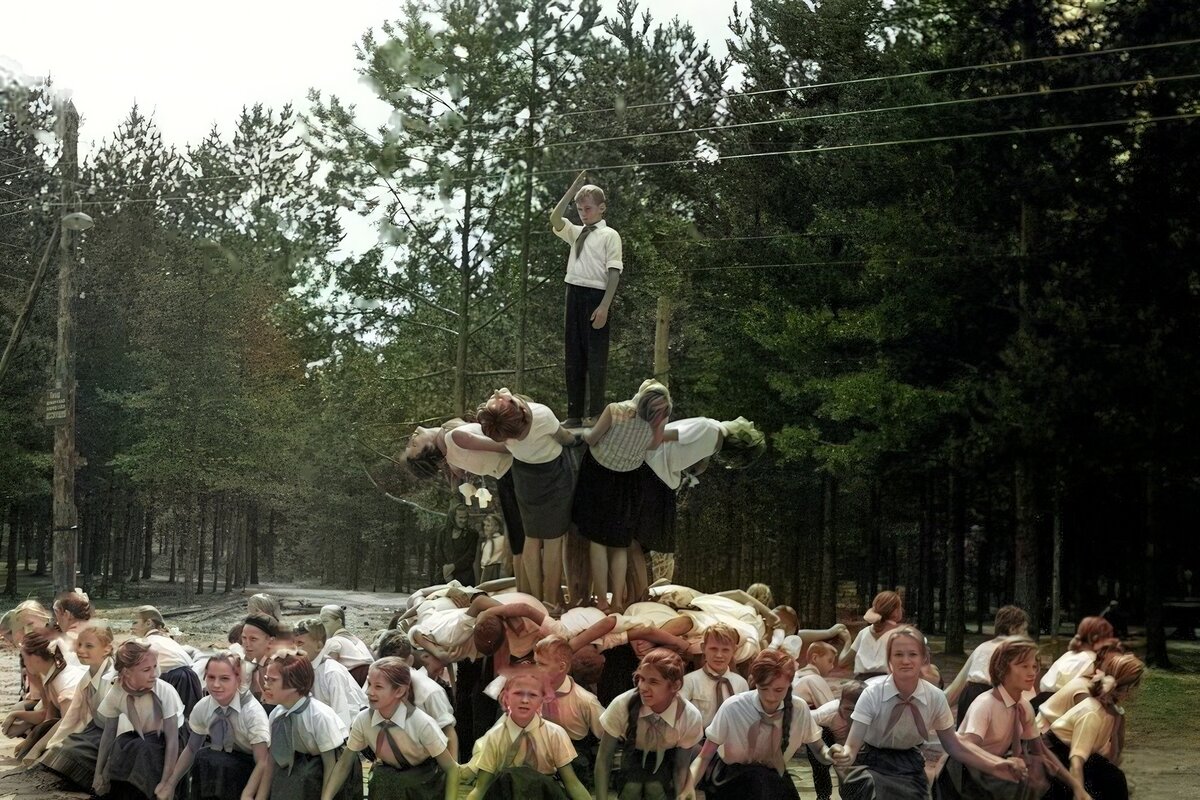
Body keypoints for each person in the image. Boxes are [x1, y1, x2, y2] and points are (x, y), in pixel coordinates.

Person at [829, 627, 1027, 800]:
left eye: (913, 654)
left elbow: (954, 745)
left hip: (910, 765)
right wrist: (843, 754)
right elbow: (852, 747)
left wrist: (994, 765)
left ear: (924, 658)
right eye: (898, 654)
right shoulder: (872, 694)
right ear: (889, 659)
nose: (905, 661)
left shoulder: (935, 697)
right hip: (872, 765)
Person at [461, 389, 580, 606]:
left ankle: (534, 599)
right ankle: (551, 601)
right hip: (553, 474)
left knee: (532, 538)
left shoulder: (499, 428)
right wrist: (579, 439)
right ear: (518, 409)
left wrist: (505, 399)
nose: (498, 392)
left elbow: (501, 404)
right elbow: (565, 438)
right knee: (553, 540)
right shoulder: (541, 415)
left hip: (524, 475)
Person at [938, 636, 1086, 800]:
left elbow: (1041, 750)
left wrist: (1076, 786)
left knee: (1045, 777)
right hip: (964, 774)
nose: (1032, 673)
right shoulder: (986, 704)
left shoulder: (1023, 706)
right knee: (1021, 783)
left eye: (1035, 667)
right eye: (1023, 666)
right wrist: (998, 763)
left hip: (993, 769)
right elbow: (965, 746)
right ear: (1002, 668)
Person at [575, 381, 673, 612]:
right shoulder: (657, 418)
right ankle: (618, 601)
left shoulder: (615, 410)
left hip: (598, 475)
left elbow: (592, 438)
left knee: (597, 541)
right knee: (620, 543)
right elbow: (654, 444)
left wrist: (585, 430)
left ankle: (601, 600)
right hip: (629, 480)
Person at [691, 649, 832, 800]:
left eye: (779, 690)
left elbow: (818, 748)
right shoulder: (733, 707)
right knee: (759, 780)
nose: (771, 697)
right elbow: (704, 756)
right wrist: (687, 786)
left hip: (772, 775)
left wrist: (830, 754)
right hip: (731, 777)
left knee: (767, 782)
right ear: (756, 683)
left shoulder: (798, 708)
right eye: (764, 688)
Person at [638, 417, 766, 582]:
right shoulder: (712, 434)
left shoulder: (709, 429)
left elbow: (668, 435)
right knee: (647, 544)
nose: (749, 423)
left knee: (642, 543)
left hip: (653, 474)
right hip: (659, 478)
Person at [323, 657, 457, 800]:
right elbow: (344, 763)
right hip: (389, 776)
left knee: (399, 782)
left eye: (378, 687)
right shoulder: (363, 720)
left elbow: (452, 769)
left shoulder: (421, 723)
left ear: (399, 691)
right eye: (369, 684)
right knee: (381, 779)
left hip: (425, 781)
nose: (369, 692)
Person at [550, 170, 623, 428]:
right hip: (574, 293)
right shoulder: (575, 232)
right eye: (580, 209)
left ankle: (595, 413)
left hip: (596, 297)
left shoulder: (609, 235)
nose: (583, 213)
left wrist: (604, 306)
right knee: (574, 356)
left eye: (588, 208)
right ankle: (574, 413)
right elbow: (555, 217)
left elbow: (614, 272)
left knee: (596, 358)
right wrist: (572, 191)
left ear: (601, 208)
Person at [157, 652, 272, 800]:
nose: (216, 685)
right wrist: (170, 784)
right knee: (202, 757)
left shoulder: (251, 712)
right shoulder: (204, 706)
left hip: (251, 765)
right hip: (225, 755)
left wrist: (248, 794)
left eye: (224, 678)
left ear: (238, 679)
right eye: (211, 677)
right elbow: (192, 748)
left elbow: (263, 761)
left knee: (222, 766)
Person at [466, 666, 591, 800]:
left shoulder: (555, 734)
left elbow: (572, 784)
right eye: (518, 693)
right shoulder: (494, 737)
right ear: (505, 697)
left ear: (542, 700)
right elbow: (481, 788)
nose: (525, 700)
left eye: (532, 695)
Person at [596, 647, 704, 800]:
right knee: (631, 789)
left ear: (675, 686)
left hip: (668, 755)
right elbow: (603, 758)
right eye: (641, 679)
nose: (643, 687)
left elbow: (681, 767)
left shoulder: (689, 716)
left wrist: (683, 793)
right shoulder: (622, 704)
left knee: (655, 789)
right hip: (631, 750)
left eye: (653, 681)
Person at [1043, 653, 1143, 800]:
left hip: (1076, 755)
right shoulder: (1092, 712)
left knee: (1114, 778)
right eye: (1135, 686)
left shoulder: (1112, 714)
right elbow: (1076, 761)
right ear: (1126, 688)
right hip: (1054, 754)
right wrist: (1080, 794)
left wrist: (1118, 727)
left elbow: (1112, 758)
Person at [93, 641, 186, 800]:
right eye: (146, 670)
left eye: (155, 667)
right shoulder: (117, 691)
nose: (154, 674)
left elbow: (172, 740)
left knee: (143, 749)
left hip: (174, 739)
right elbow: (109, 733)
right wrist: (98, 773)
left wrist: (166, 783)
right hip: (144, 736)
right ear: (127, 672)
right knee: (121, 743)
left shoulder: (164, 691)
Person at [260, 651, 357, 800]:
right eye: (266, 679)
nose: (266, 686)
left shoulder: (319, 716)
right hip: (302, 758)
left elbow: (331, 765)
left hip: (333, 764)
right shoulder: (277, 715)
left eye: (272, 680)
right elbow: (272, 759)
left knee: (305, 778)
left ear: (294, 684)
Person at [39, 620, 116, 784]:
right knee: (61, 747)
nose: (81, 650)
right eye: (79, 644)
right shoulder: (86, 678)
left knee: (72, 752)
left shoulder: (113, 679)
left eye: (89, 646)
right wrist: (55, 742)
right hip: (95, 729)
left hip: (114, 734)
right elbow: (72, 717)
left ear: (107, 649)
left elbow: (117, 725)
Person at [533, 635, 606, 788]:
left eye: (542, 664)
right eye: (535, 663)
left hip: (574, 754)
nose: (536, 669)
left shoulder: (585, 700)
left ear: (561, 667)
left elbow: (606, 735)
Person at [3, 629, 86, 758]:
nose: (24, 663)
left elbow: (67, 725)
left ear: (35, 658)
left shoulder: (64, 682)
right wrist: (27, 740)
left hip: (85, 734)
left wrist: (36, 748)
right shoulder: (51, 677)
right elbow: (47, 718)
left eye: (25, 658)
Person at [944, 605, 1031, 725]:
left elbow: (959, 684)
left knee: (966, 741)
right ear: (1012, 629)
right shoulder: (1016, 651)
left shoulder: (982, 647)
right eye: (1024, 630)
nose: (1026, 635)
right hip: (992, 700)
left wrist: (938, 708)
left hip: (969, 696)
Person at [1036, 640, 1126, 734]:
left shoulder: (1098, 672)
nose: (1114, 667)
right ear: (1101, 659)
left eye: (1118, 663)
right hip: (1049, 711)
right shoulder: (1088, 670)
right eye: (1111, 662)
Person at [294, 618, 368, 727]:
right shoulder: (302, 668)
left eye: (300, 643)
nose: (294, 648)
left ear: (319, 646)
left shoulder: (331, 672)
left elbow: (342, 714)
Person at [132, 605, 204, 718]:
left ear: (148, 623)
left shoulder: (145, 642)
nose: (132, 627)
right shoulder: (167, 640)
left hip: (175, 679)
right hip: (191, 677)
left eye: (135, 622)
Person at [680, 623, 750, 729]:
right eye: (713, 649)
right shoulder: (689, 681)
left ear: (734, 651)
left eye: (725, 650)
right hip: (698, 741)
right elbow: (680, 718)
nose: (719, 655)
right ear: (703, 648)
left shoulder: (741, 684)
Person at [838, 590, 905, 680]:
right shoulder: (901, 634)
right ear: (895, 612)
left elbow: (843, 662)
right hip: (887, 683)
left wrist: (847, 642)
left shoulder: (864, 633)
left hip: (861, 684)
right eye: (900, 607)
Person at [1039, 617, 1115, 695]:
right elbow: (1078, 692)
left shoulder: (1072, 654)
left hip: (1045, 696)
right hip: (1055, 700)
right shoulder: (1088, 659)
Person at [318, 605, 375, 686]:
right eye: (320, 622)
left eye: (325, 621)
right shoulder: (357, 640)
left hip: (356, 681)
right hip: (372, 676)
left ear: (339, 621)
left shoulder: (334, 641)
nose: (322, 626)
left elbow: (327, 668)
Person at [241, 614, 282, 709]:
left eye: (253, 639)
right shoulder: (255, 665)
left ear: (271, 642)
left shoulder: (279, 670)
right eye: (244, 638)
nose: (246, 644)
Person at [479, 514, 509, 584]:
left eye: (488, 525)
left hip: (497, 569)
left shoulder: (502, 540)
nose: (485, 528)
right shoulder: (485, 543)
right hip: (486, 570)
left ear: (497, 527)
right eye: (485, 525)